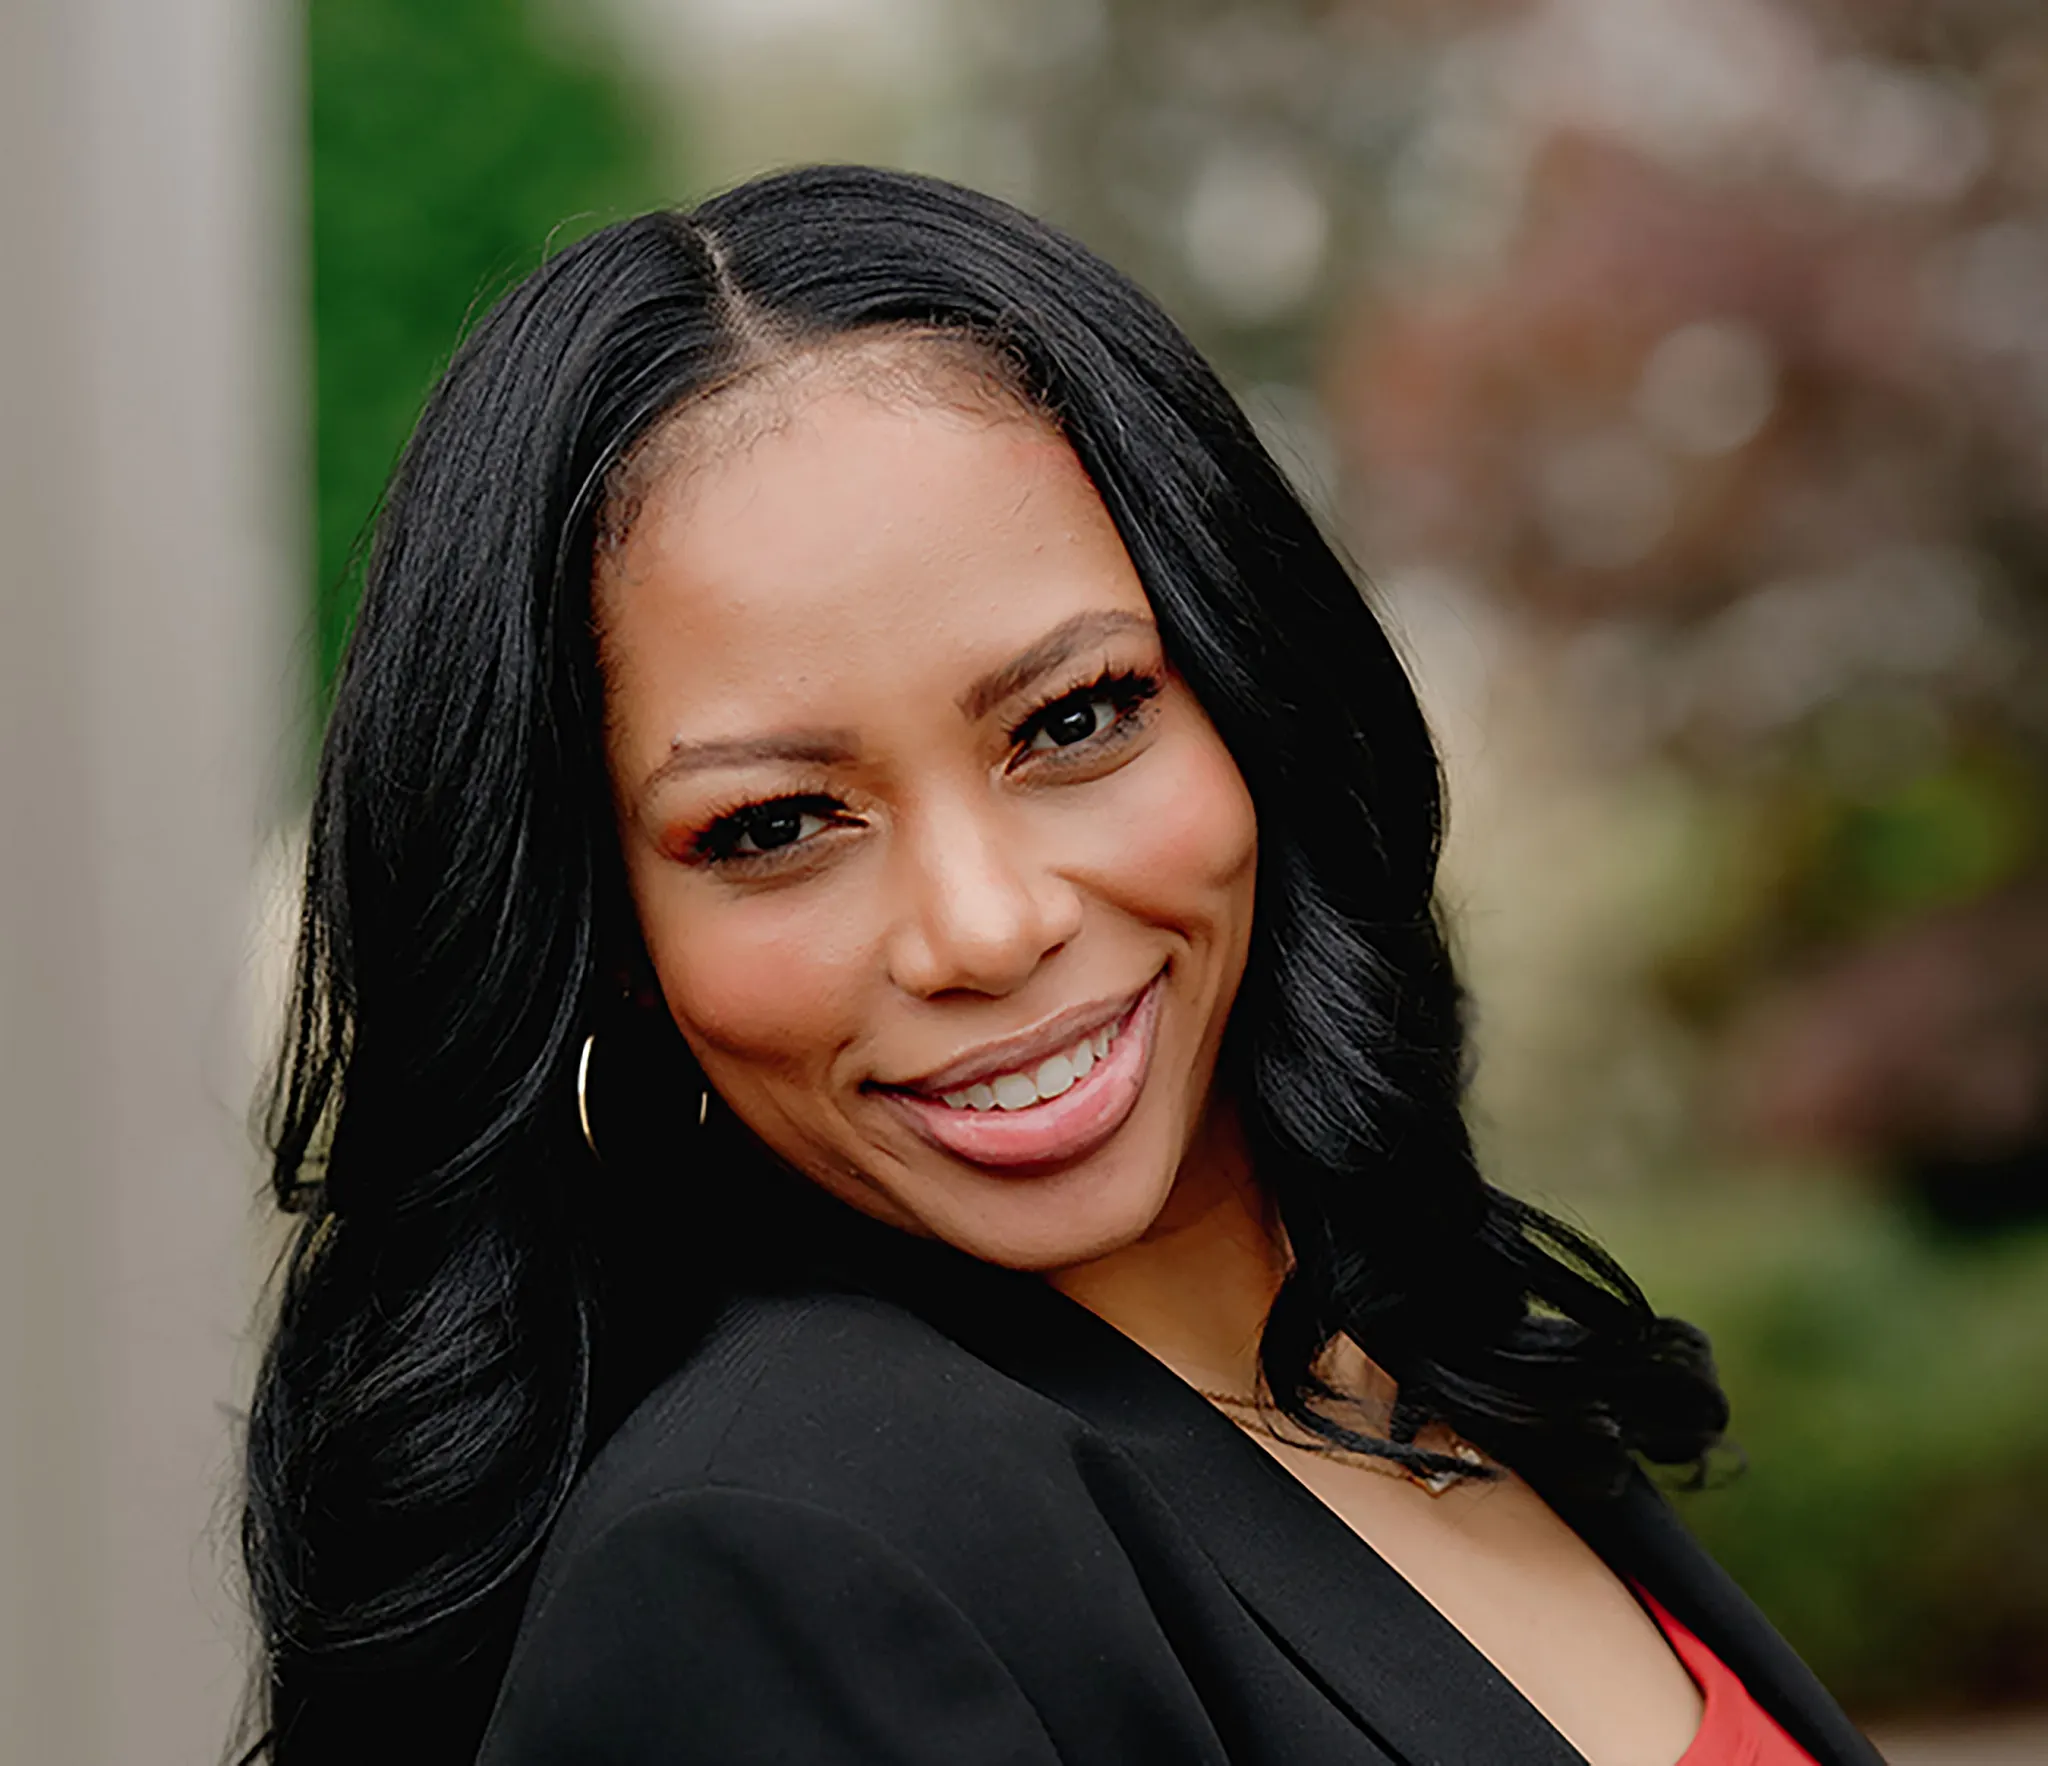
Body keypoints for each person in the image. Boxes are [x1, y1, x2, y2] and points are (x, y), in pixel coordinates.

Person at [238, 166, 1882, 1766]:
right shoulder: (778, 1562)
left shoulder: (1427, 1355)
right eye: (774, 824)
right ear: (602, 943)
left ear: (1254, 690)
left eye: (1074, 719)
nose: (985, 925)